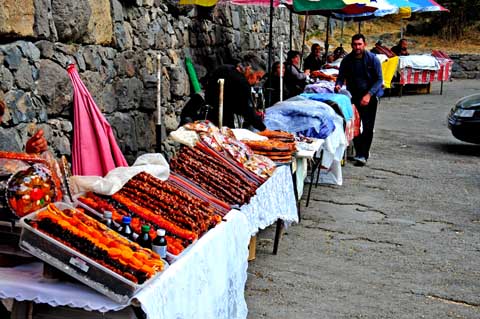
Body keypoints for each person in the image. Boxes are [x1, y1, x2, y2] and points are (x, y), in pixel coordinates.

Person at [335, 34, 383, 167]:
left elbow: (379, 80)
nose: (357, 47)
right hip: (353, 96)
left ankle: (363, 154)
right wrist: (338, 84)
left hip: (369, 96)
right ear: (351, 45)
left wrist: (369, 95)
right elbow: (341, 76)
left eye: (359, 44)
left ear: (364, 44)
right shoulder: (347, 60)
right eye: (355, 44)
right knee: (354, 125)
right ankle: (358, 152)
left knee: (368, 127)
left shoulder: (373, 59)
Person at [204, 56, 266, 130]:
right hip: (223, 120)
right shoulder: (242, 83)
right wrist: (263, 128)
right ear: (248, 69)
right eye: (257, 77)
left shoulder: (224, 68)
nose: (257, 81)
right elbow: (247, 111)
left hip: (208, 115)